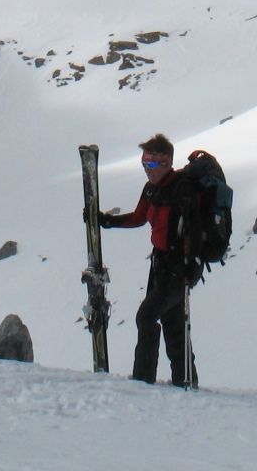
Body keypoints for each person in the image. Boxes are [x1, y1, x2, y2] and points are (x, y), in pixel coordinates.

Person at [99, 133, 198, 387]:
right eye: (144, 163)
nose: (147, 169)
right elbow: (140, 217)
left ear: (167, 163)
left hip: (178, 267)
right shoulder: (152, 189)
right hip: (159, 265)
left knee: (147, 316)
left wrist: (189, 265)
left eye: (152, 164)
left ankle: (143, 381)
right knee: (172, 322)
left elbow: (193, 230)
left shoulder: (182, 189)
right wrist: (108, 221)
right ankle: (185, 382)